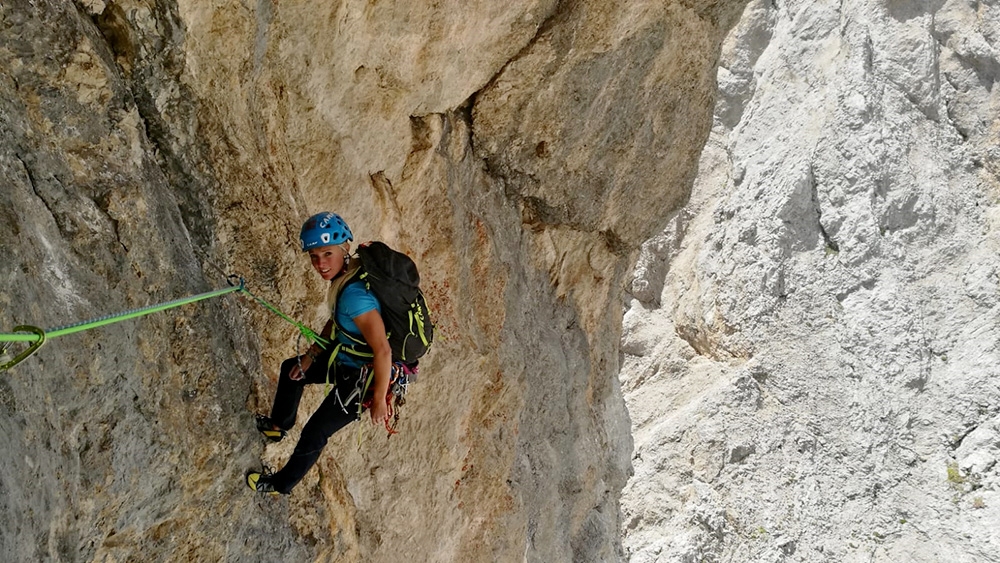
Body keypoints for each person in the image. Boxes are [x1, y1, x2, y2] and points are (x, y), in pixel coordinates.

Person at [246, 212, 392, 495]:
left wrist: (378, 399)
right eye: (314, 256)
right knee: (294, 370)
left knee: (315, 432)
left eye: (327, 254)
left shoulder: (355, 294)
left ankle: (279, 485)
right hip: (347, 358)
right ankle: (278, 426)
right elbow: (337, 320)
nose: (321, 264)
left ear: (345, 248)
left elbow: (382, 350)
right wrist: (311, 356)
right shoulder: (347, 276)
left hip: (364, 381)